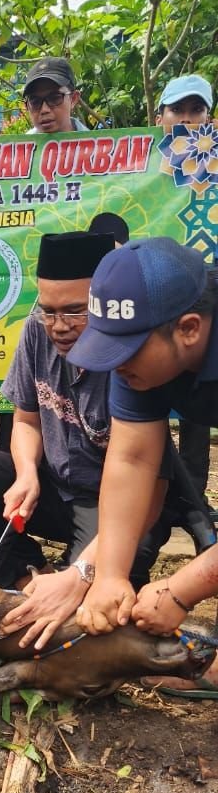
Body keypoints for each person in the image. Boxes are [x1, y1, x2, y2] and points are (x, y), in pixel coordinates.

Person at [0, 230, 175, 650]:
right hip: (56, 489)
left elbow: (150, 485)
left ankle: (68, 582)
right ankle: (28, 581)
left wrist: (83, 573)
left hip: (119, 508)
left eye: (75, 312)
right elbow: (26, 419)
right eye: (49, 311)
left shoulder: (129, 355)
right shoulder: (36, 330)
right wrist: (26, 474)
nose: (59, 327)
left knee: (90, 617)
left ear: (104, 303)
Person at [66, 239, 218, 662]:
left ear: (189, 329)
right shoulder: (137, 363)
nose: (116, 364)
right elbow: (132, 458)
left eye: (127, 350)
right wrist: (109, 575)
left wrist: (181, 590)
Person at [157, 74, 215, 509]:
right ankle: (155, 490)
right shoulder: (139, 162)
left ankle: (193, 498)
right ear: (160, 115)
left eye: (197, 110)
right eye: (177, 110)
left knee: (200, 400)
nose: (187, 119)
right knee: (147, 398)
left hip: (205, 298)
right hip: (154, 297)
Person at [22, 57, 88, 134]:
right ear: (27, 106)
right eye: (35, 102)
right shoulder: (21, 141)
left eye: (54, 98)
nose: (44, 110)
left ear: (73, 99)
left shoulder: (95, 141)